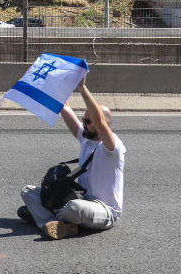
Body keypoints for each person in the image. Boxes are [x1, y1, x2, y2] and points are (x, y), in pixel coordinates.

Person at [19, 76, 126, 240]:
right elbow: (65, 107)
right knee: (28, 191)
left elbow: (99, 121)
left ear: (101, 123)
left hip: (104, 211)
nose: (84, 124)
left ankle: (43, 214)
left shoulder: (113, 148)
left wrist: (82, 88)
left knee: (74, 208)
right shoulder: (86, 138)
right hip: (81, 200)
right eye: (83, 120)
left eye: (88, 121)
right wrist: (55, 84)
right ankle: (53, 222)